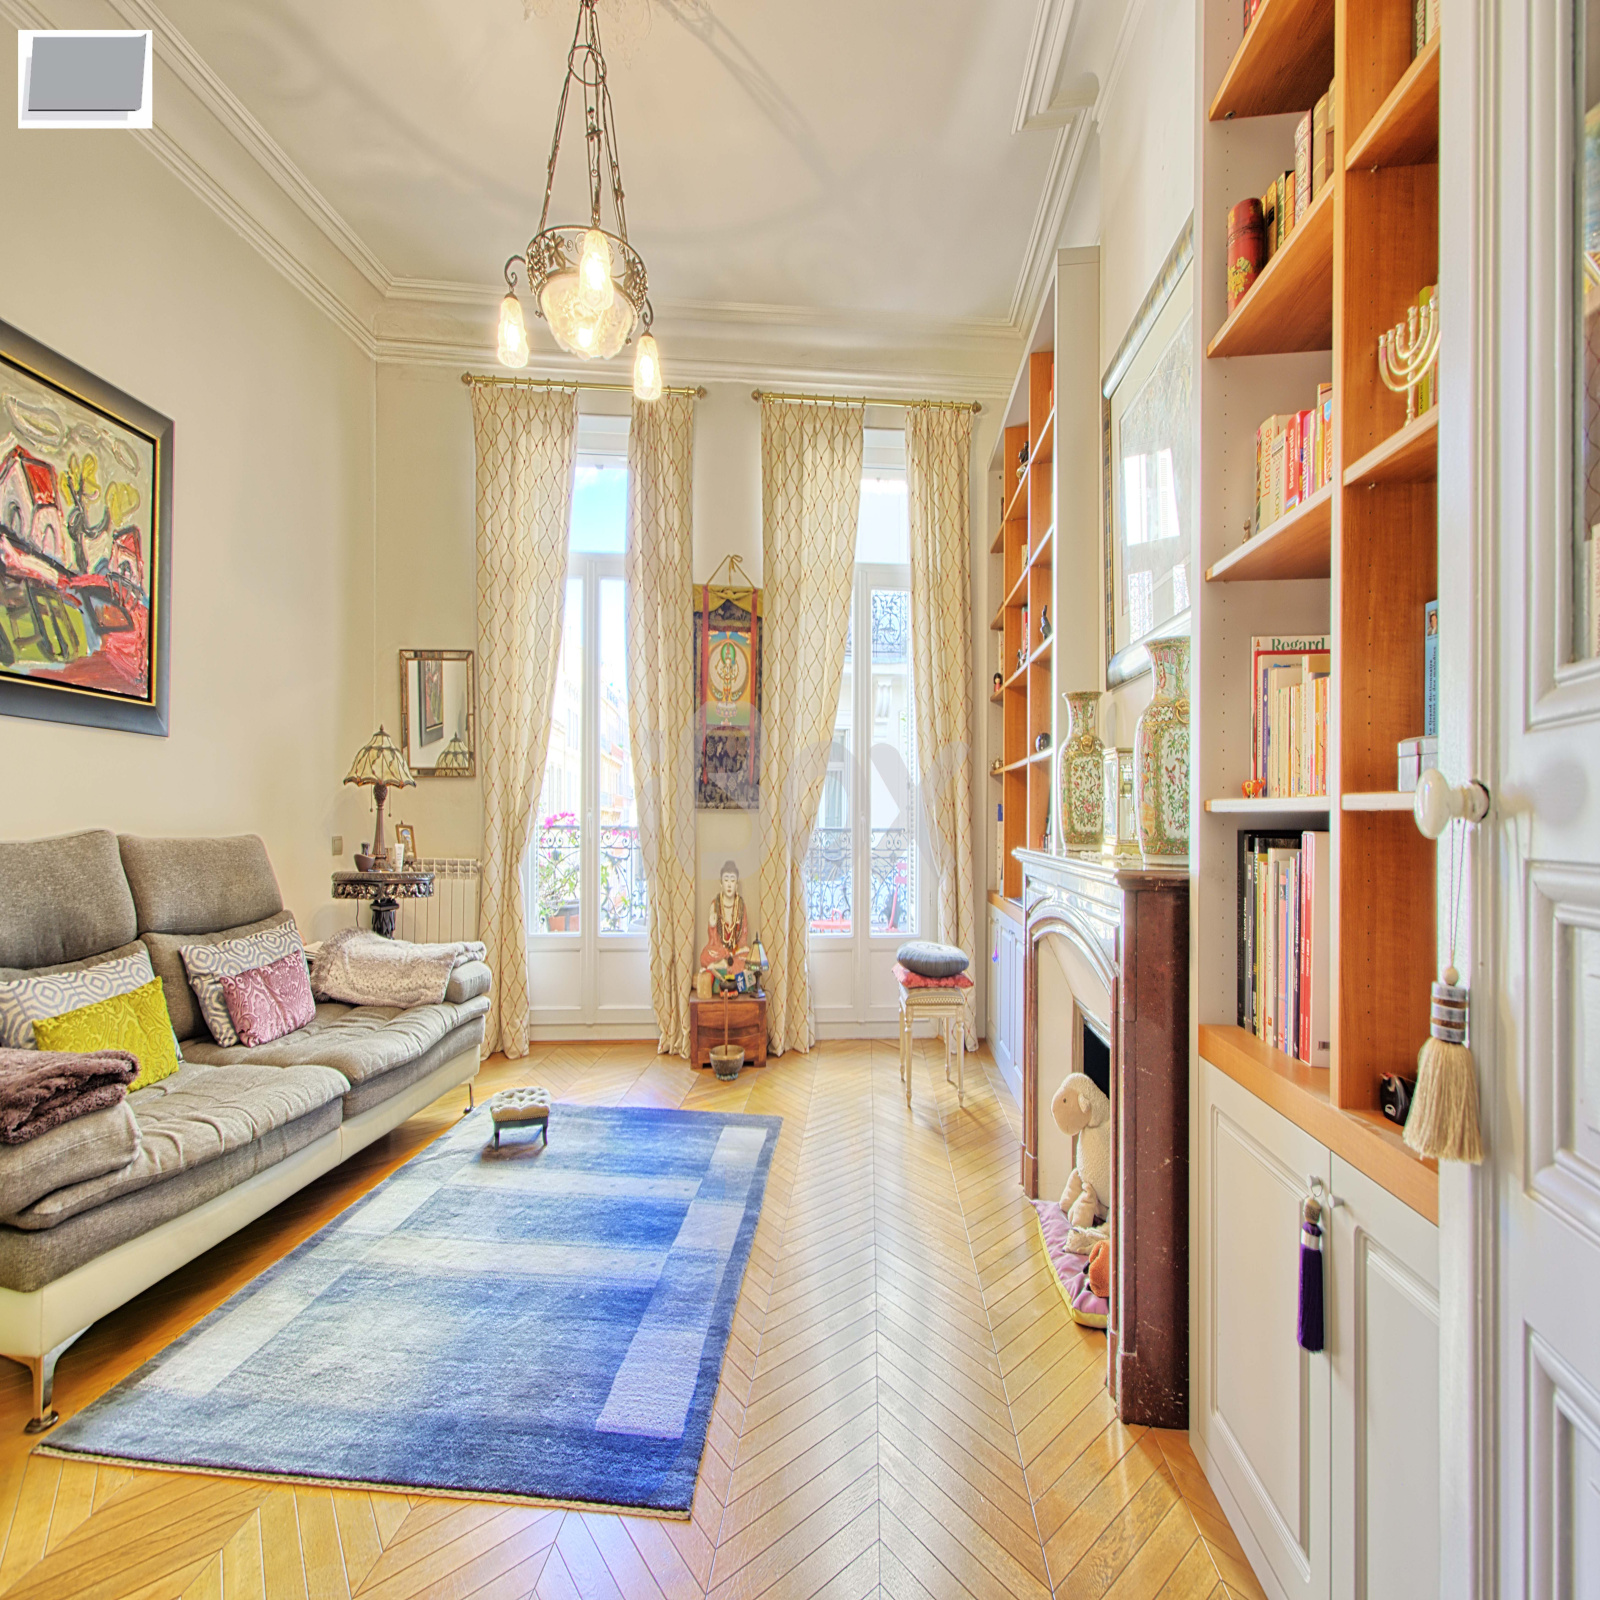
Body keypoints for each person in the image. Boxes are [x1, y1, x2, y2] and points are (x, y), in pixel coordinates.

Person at [700, 860, 750, 992]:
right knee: (704, 956)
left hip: (736, 951)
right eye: (726, 880)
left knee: (750, 957)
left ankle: (720, 966)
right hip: (719, 950)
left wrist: (736, 950)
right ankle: (724, 964)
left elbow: (743, 937)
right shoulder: (715, 904)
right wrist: (712, 925)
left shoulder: (741, 906)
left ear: (736, 884)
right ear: (721, 883)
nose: (729, 884)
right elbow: (713, 939)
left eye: (732, 880)